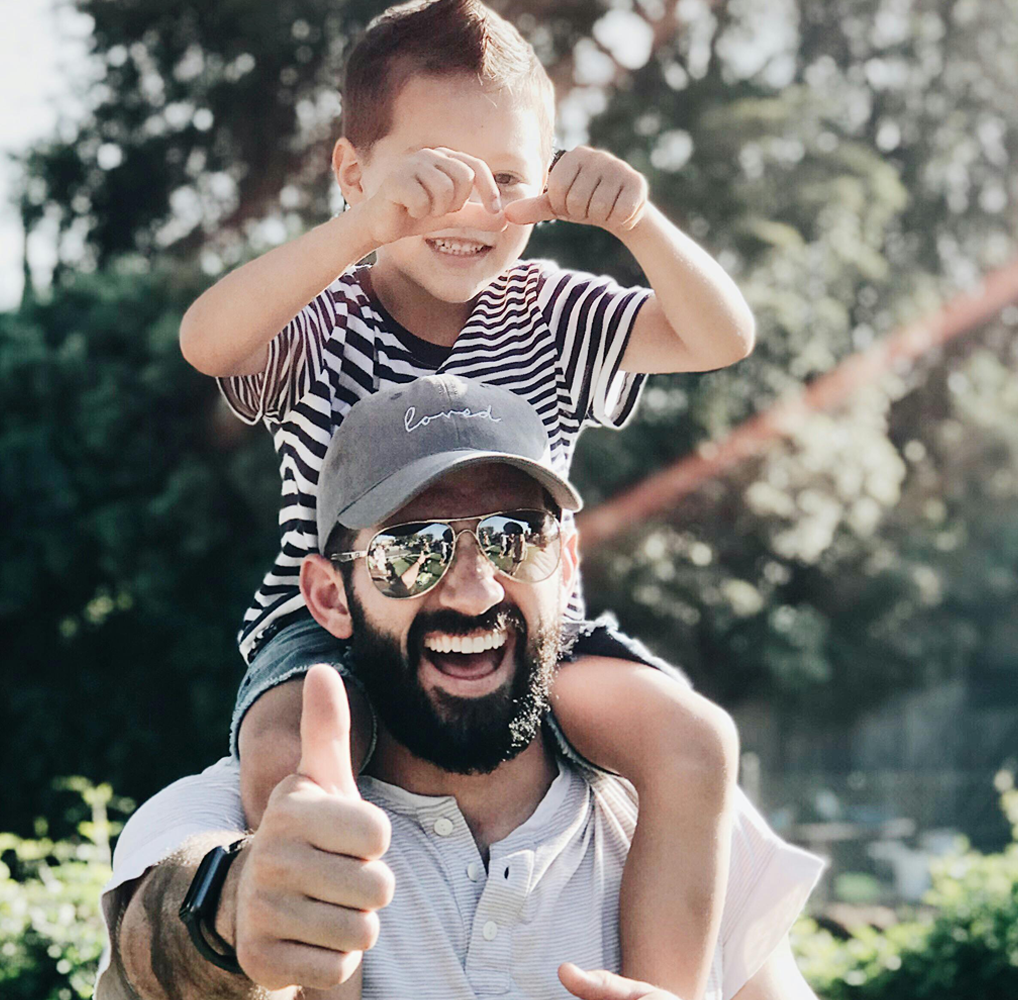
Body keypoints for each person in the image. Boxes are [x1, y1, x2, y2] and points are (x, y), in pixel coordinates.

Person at [180, 1, 759, 994]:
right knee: (287, 755)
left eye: (504, 178)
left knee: (694, 740)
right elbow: (209, 341)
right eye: (430, 174)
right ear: (356, 172)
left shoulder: (553, 308)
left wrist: (638, 220)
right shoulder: (323, 317)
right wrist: (363, 229)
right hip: (329, 628)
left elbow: (720, 336)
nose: (468, 207)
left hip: (533, 629)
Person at [98, 376, 824, 1000]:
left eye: (515, 537)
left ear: (567, 565)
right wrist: (230, 916)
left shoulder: (676, 816)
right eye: (410, 549)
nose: (474, 592)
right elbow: (151, 956)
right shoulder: (232, 814)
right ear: (330, 596)